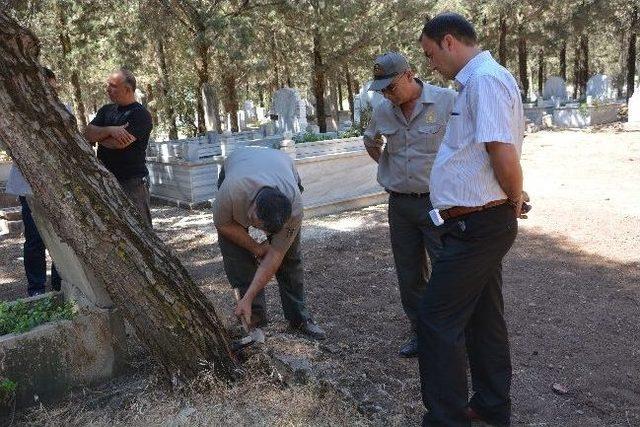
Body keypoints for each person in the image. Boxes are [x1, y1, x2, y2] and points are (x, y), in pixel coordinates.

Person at [417, 13, 525, 426]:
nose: (429, 64)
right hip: (476, 220)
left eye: (429, 53)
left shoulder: (484, 81)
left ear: (448, 42)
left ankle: (446, 419)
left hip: (479, 225)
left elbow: (502, 151)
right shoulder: (474, 82)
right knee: (483, 320)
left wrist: (512, 200)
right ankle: (491, 408)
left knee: (436, 320)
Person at [363, 52, 456, 358]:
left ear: (409, 75)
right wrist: (390, 168)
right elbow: (371, 141)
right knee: (409, 273)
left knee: (447, 267)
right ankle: (420, 332)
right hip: (400, 204)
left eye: (391, 87)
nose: (387, 94)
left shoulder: (446, 101)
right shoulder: (382, 108)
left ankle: (453, 332)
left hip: (438, 202)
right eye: (382, 90)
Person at [213, 147, 325, 340]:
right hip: (238, 164)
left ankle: (299, 318)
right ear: (253, 206)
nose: (260, 231)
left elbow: (276, 255)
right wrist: (256, 248)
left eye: (266, 231)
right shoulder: (231, 192)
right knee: (237, 253)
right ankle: (253, 320)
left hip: (282, 166)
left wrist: (274, 247)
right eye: (256, 223)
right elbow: (224, 225)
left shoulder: (294, 207)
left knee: (290, 257)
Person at [5, 67, 62, 297]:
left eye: (52, 86)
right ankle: (36, 288)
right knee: (35, 239)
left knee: (63, 238)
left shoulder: (62, 110)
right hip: (30, 189)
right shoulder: (17, 112)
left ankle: (59, 284)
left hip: (59, 188)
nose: (49, 90)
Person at [84, 69, 153, 226]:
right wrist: (110, 130)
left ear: (127, 89)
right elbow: (87, 133)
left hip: (132, 183)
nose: (108, 89)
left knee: (140, 228)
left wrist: (100, 137)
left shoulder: (140, 114)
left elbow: (118, 144)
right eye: (107, 85)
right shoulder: (106, 110)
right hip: (105, 179)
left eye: (113, 86)